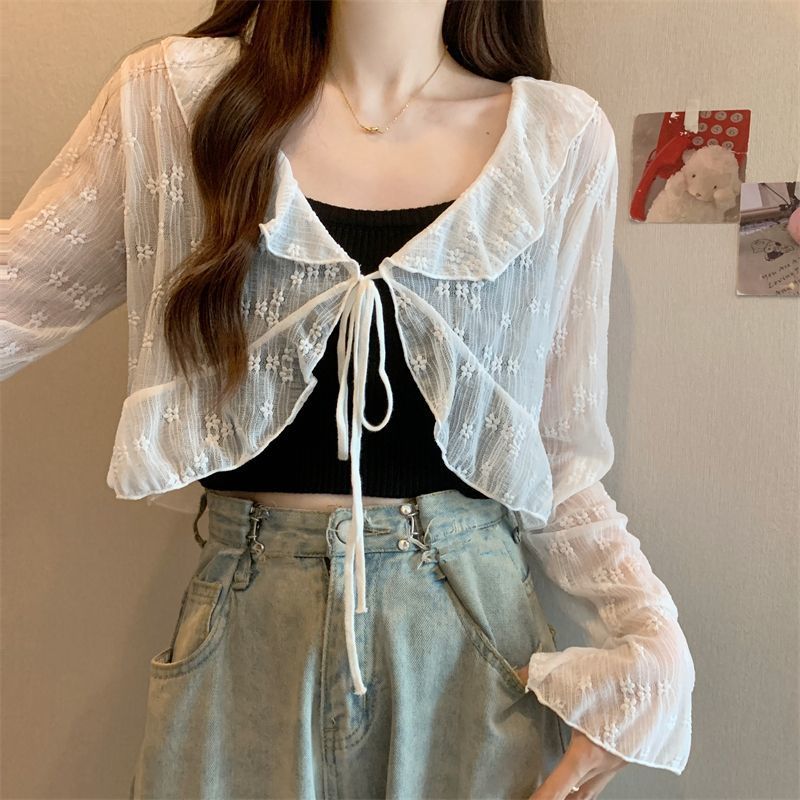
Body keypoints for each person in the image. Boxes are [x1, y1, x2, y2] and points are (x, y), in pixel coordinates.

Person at [1, 1, 695, 798]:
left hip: (468, 645)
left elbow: (551, 459)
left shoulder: (560, 140)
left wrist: (649, 633)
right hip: (245, 635)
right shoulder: (175, 104)